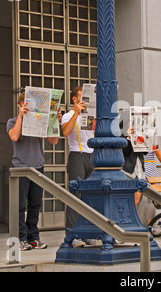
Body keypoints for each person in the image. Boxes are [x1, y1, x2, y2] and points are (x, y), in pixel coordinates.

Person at [7, 91, 60, 251]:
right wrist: (21, 116)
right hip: (21, 167)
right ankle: (19, 239)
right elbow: (14, 137)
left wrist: (53, 120)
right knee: (19, 205)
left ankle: (33, 237)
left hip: (37, 166)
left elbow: (54, 141)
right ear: (21, 104)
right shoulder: (13, 121)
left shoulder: (38, 121)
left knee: (35, 205)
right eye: (26, 103)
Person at [61, 86, 95, 248]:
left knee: (90, 196)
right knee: (76, 194)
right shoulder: (68, 115)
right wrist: (76, 112)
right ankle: (72, 233)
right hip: (77, 154)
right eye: (82, 97)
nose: (84, 101)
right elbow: (66, 132)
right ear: (75, 99)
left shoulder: (90, 115)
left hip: (92, 155)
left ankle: (87, 232)